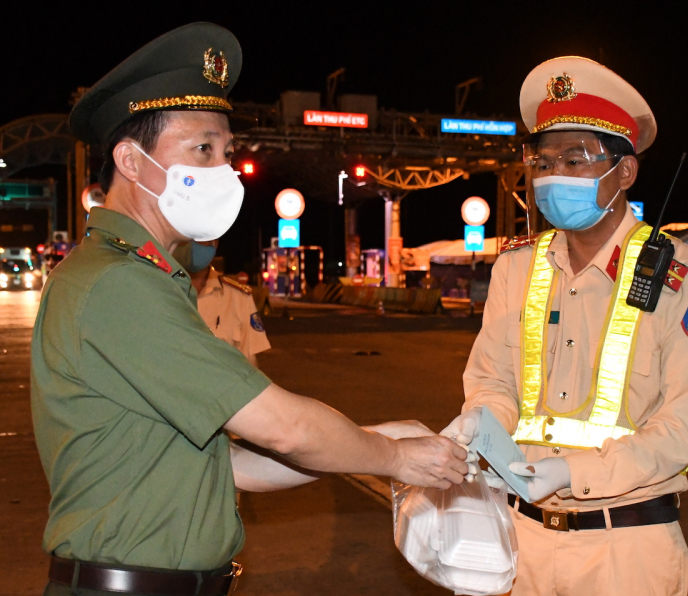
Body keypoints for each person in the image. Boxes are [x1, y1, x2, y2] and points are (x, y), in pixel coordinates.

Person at [31, 23, 470, 596]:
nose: (222, 170)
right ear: (131, 162)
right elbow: (283, 427)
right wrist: (392, 456)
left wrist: (374, 439)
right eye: (202, 149)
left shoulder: (143, 278)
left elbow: (235, 468)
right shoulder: (118, 285)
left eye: (226, 151)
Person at [441, 56, 688, 595]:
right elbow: (494, 379)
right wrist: (479, 423)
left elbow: (679, 430)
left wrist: (574, 472)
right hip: (518, 539)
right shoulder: (516, 268)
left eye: (575, 160)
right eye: (542, 161)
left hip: (626, 552)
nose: (553, 177)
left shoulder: (686, 279)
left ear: (624, 171)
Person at [175, 239, 270, 367]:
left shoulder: (238, 298)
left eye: (201, 239)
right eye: (186, 238)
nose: (192, 246)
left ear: (215, 243)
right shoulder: (155, 288)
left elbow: (249, 365)